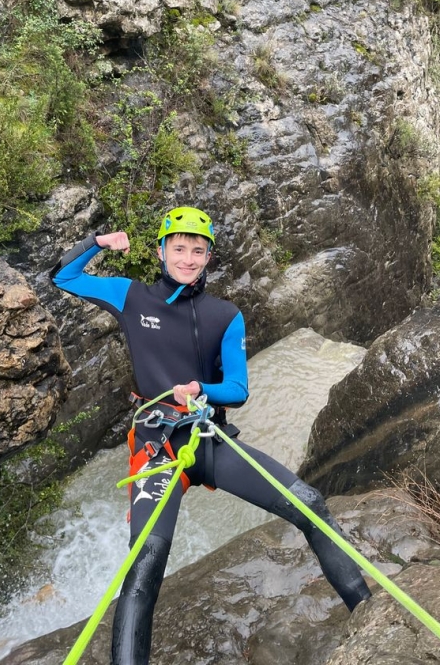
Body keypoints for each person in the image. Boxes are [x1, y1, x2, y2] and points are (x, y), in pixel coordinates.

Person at [50, 206, 371, 665]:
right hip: (157, 444)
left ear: (209, 257)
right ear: (161, 251)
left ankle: (369, 613)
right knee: (145, 563)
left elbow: (238, 389)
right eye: (178, 248)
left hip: (206, 438)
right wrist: (98, 243)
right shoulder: (130, 296)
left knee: (311, 504)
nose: (188, 258)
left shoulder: (225, 314)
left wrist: (202, 388)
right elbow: (62, 277)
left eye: (198, 250)